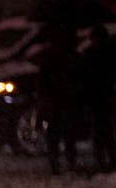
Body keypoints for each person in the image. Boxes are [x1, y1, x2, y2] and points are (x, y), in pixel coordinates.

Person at [38, 25, 83, 175]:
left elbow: (43, 81)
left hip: (58, 99)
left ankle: (56, 162)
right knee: (66, 133)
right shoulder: (73, 56)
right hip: (66, 99)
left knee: (56, 133)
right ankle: (67, 161)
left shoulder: (51, 57)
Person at [81, 24, 115, 173]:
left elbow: (85, 78)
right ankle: (109, 159)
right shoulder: (108, 54)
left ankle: (102, 160)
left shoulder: (91, 54)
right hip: (104, 96)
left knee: (101, 131)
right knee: (106, 130)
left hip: (98, 97)